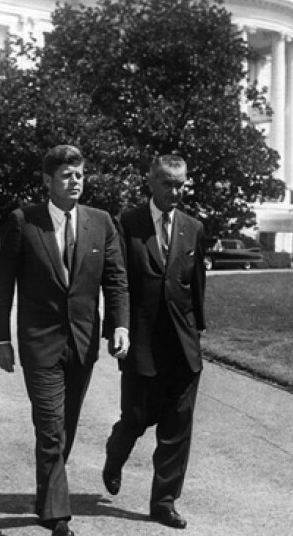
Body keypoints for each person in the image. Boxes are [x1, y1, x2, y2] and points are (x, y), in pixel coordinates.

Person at [0, 145, 130, 536]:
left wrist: (120, 326)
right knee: (50, 426)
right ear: (47, 181)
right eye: (67, 175)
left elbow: (116, 279)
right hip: (40, 344)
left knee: (65, 425)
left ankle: (45, 495)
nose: (75, 181)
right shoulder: (24, 222)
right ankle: (57, 516)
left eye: (80, 174)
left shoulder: (101, 222)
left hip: (83, 343)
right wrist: (0, 337)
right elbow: (2, 284)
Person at [102, 155, 206, 530]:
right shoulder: (127, 224)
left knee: (178, 426)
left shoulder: (194, 228)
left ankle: (163, 502)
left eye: (180, 185)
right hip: (140, 342)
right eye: (167, 184)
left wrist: (198, 332)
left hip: (182, 345)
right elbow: (117, 282)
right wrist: (118, 328)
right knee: (135, 417)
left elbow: (195, 285)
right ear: (151, 181)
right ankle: (115, 457)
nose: (175, 192)